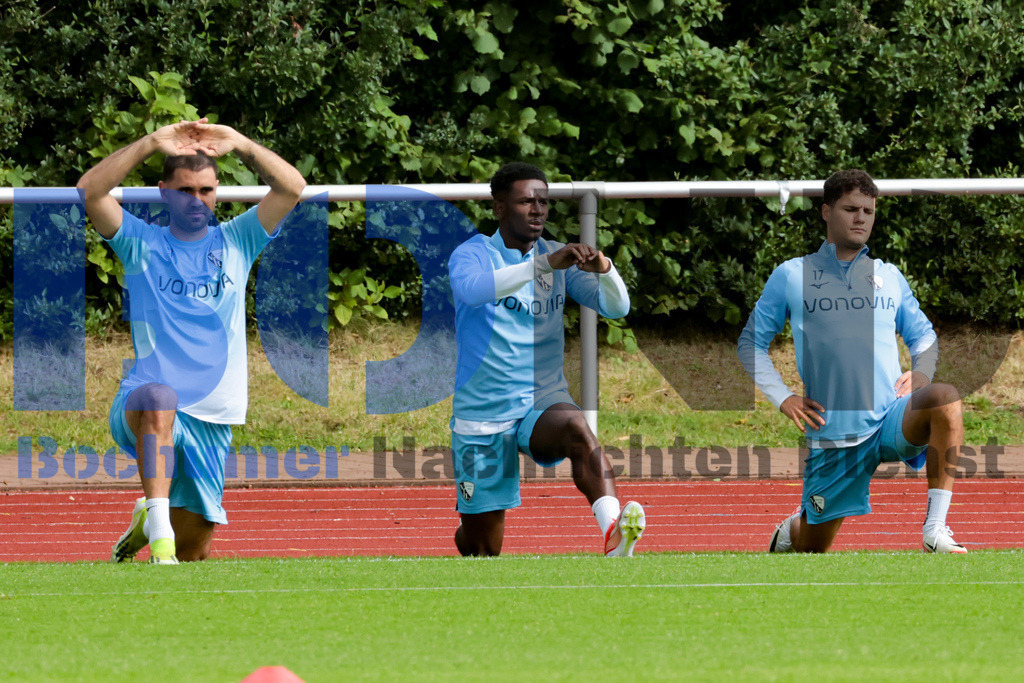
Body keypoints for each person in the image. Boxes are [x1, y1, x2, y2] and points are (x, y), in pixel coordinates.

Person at [77, 118, 306, 563]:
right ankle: (159, 535)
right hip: (145, 401)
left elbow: (292, 187)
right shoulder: (140, 242)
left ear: (217, 193)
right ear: (164, 191)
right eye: (185, 190)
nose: (196, 200)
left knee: (195, 552)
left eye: (206, 190)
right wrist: (148, 142)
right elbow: (90, 192)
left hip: (214, 411)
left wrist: (239, 142)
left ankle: (151, 518)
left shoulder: (239, 239)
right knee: (160, 396)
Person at [738, 169, 967, 553]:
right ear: (827, 212)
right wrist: (783, 397)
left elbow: (924, 336)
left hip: (891, 419)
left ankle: (935, 529)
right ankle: (794, 528)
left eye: (868, 210)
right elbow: (751, 344)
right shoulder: (792, 275)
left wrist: (922, 373)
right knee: (813, 548)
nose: (861, 218)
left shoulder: (888, 276)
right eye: (850, 209)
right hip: (834, 436)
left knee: (945, 399)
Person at [447, 162, 645, 557]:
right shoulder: (471, 255)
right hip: (483, 411)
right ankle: (467, 529)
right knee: (482, 548)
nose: (537, 209)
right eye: (526, 201)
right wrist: (543, 265)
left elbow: (616, 306)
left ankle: (613, 532)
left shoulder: (558, 257)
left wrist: (604, 269)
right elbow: (473, 291)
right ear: (499, 207)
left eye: (543, 201)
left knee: (576, 426)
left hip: (541, 399)